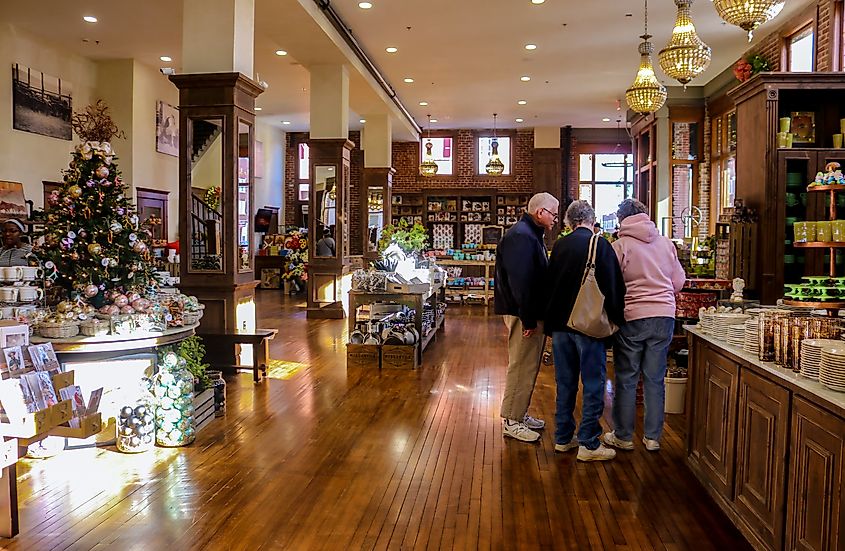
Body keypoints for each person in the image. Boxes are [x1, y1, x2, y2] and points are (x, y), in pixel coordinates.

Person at [545, 200, 626, 461]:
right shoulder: (599, 245)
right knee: (593, 384)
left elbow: (550, 285)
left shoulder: (559, 245)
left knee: (565, 383)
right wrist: (615, 322)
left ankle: (563, 437)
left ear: (569, 221)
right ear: (591, 220)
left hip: (559, 326)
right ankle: (589, 443)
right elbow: (614, 287)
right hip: (588, 326)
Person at [603, 199, 686, 452]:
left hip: (633, 317)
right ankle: (652, 437)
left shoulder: (619, 246)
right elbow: (679, 282)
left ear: (621, 220)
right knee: (655, 378)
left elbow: (611, 286)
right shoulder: (666, 244)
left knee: (627, 378)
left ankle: (624, 436)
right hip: (664, 316)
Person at [495, 192, 559, 442]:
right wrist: (529, 319)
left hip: (527, 312)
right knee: (521, 365)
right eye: (553, 213)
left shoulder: (529, 234)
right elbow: (522, 283)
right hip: (523, 314)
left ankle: (519, 413)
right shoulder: (522, 236)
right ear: (540, 212)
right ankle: (511, 420)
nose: (555, 218)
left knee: (529, 365)